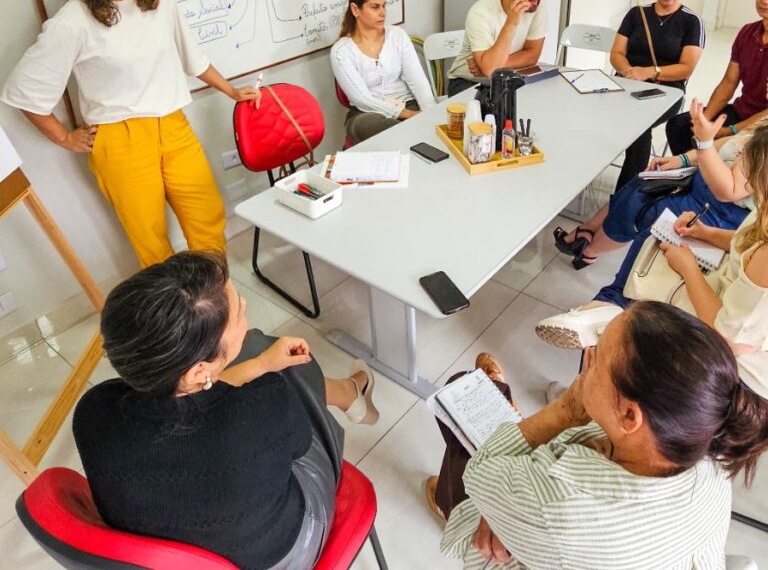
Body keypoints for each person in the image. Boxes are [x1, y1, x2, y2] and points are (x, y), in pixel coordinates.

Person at [73, 252, 379, 570]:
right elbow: (298, 446)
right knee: (280, 366)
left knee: (260, 352)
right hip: (283, 553)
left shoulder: (92, 412)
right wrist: (266, 372)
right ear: (199, 372)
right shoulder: (262, 405)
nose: (245, 308)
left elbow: (185, 405)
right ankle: (349, 393)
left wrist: (259, 365)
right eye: (238, 314)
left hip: (175, 557)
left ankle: (347, 392)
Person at [0, 0, 260, 269]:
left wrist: (231, 91)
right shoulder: (73, 22)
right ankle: (178, 320)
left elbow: (193, 58)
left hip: (173, 126)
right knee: (151, 241)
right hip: (121, 141)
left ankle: (216, 304)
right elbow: (26, 91)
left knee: (208, 219)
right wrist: (63, 137)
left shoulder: (159, 0)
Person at [434, 303, 768, 570]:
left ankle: (447, 500)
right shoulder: (709, 454)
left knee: (462, 400)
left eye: (596, 358)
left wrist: (564, 409)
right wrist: (511, 514)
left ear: (629, 416)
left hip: (524, 541)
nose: (586, 357)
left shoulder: (558, 504)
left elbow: (479, 474)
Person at [537, 104, 768, 353]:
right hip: (701, 199)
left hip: (713, 213)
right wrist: (683, 158)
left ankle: (607, 300)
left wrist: (704, 142)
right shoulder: (762, 129)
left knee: (655, 220)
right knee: (644, 187)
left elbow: (727, 338)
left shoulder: (761, 250)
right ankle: (605, 295)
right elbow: (730, 146)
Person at [610, 0, 704, 190]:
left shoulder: (692, 21)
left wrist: (650, 72)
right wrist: (629, 72)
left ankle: (625, 195)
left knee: (639, 127)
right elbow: (617, 54)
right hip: (626, 82)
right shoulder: (637, 14)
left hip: (667, 90)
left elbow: (686, 67)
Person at [666, 0, 768, 154]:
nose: (765, 0)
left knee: (724, 148)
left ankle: (706, 178)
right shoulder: (747, 33)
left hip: (763, 127)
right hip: (742, 111)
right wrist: (704, 120)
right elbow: (729, 83)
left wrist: (729, 131)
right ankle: (686, 179)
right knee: (680, 127)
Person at [330, 0, 435, 145]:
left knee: (420, 131)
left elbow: (418, 82)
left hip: (408, 103)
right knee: (391, 131)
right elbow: (363, 100)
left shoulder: (397, 36)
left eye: (384, 6)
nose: (383, 13)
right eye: (375, 7)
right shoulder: (341, 52)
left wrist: (430, 115)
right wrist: (408, 115)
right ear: (355, 9)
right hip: (366, 114)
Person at [447, 0, 547, 96]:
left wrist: (492, 66)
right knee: (499, 112)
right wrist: (511, 22)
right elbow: (490, 69)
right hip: (469, 82)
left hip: (507, 77)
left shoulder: (536, 5)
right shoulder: (480, 12)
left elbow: (532, 56)